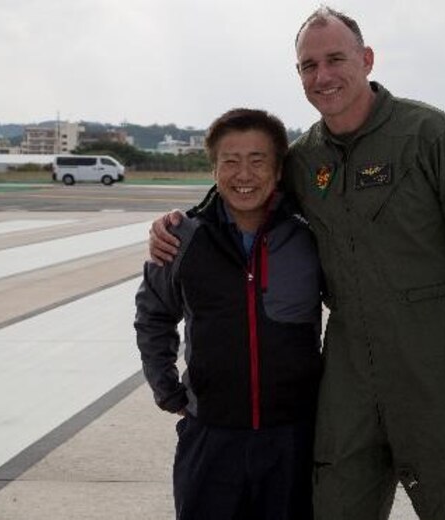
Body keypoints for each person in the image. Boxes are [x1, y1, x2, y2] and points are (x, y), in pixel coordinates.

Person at [149, 7, 445, 520]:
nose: (323, 76)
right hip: (349, 365)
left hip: (436, 362)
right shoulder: (307, 157)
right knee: (334, 502)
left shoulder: (432, 136)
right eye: (309, 65)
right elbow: (244, 186)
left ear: (367, 60)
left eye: (335, 59)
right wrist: (179, 221)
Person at [135, 108, 323, 520]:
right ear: (214, 168)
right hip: (210, 438)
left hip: (292, 438)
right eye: (230, 161)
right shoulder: (181, 238)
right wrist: (167, 388)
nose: (244, 175)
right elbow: (153, 314)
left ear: (277, 170)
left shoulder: (310, 235)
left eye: (258, 161)